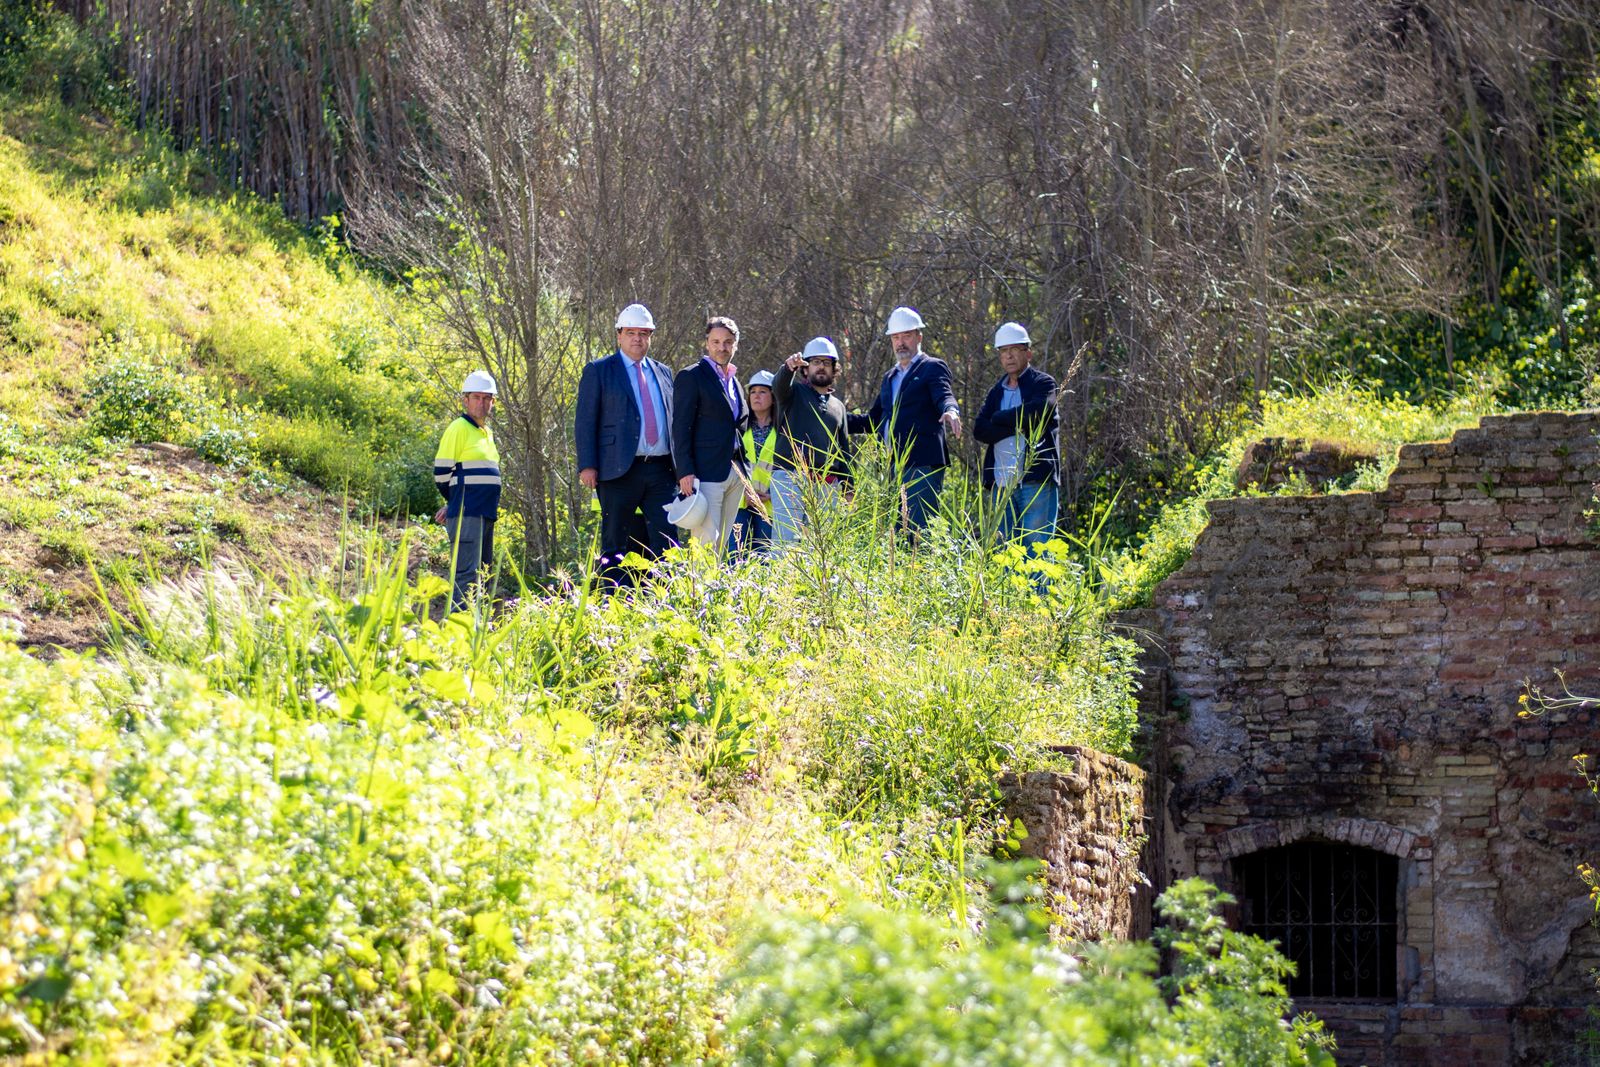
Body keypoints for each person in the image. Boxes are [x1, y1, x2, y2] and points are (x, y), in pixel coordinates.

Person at [574, 303, 677, 586]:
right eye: (631, 332)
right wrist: (588, 465)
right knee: (615, 542)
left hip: (660, 470)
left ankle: (665, 602)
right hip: (618, 470)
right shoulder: (599, 371)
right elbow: (585, 421)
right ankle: (614, 603)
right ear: (619, 335)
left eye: (644, 333)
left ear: (651, 336)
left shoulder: (664, 372)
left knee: (667, 542)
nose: (637, 339)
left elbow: (673, 421)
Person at [853, 306, 961, 531]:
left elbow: (944, 394)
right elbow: (874, 420)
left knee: (918, 529)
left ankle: (924, 566)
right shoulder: (889, 377)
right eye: (896, 337)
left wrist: (951, 410)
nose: (901, 342)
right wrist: (836, 420)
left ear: (919, 337)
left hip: (920, 462)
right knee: (897, 533)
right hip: (891, 465)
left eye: (907, 336)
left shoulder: (932, 367)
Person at [972, 321, 1060, 549]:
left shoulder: (1044, 383)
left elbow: (1039, 412)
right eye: (1003, 351)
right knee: (1005, 549)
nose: (1009, 356)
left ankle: (1038, 588)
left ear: (1028, 353)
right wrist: (1019, 423)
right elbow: (980, 429)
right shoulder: (996, 391)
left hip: (1034, 481)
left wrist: (999, 418)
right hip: (1002, 484)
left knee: (1037, 548)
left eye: (1014, 350)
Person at [671, 316, 750, 549]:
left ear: (735, 345)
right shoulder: (691, 376)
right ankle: (700, 587)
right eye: (715, 342)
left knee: (722, 544)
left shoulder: (734, 382)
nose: (721, 347)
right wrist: (684, 471)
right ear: (707, 343)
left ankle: (717, 586)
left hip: (735, 472)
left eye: (727, 342)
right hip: (706, 474)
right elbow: (681, 427)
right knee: (705, 544)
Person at [772, 336, 854, 545]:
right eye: (815, 362)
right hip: (790, 477)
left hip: (825, 484)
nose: (821, 367)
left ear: (834, 369)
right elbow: (778, 386)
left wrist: (848, 487)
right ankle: (781, 579)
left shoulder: (838, 406)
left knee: (820, 547)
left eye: (826, 363)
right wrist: (787, 368)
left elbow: (843, 449)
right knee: (786, 544)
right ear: (805, 369)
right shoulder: (793, 393)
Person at [433, 370, 502, 612]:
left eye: (487, 398)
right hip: (467, 513)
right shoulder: (459, 428)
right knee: (466, 577)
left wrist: (452, 502)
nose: (481, 403)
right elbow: (441, 474)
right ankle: (458, 635)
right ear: (465, 400)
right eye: (476, 397)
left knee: (482, 577)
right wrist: (454, 503)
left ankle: (475, 633)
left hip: (484, 513)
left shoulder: (487, 433)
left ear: (493, 402)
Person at [729, 369, 778, 554]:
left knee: (763, 557)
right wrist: (746, 493)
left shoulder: (782, 430)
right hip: (741, 501)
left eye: (763, 392)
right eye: (753, 392)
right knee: (736, 555)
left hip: (769, 503)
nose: (756, 396)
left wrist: (772, 495)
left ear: (773, 397)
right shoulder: (739, 427)